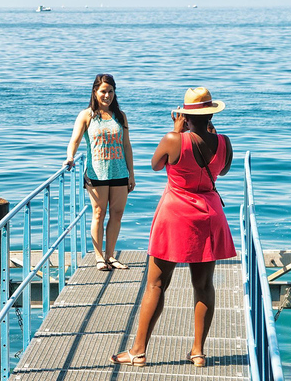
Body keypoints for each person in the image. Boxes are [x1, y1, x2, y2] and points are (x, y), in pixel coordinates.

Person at [110, 87, 235, 368]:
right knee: (203, 285)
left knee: (156, 284)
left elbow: (156, 165)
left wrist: (177, 131)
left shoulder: (173, 139)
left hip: (176, 216)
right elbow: (223, 170)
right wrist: (206, 134)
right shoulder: (225, 142)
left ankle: (138, 352)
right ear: (211, 113)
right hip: (209, 216)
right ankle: (198, 352)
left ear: (185, 115)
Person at [63, 74, 135, 272]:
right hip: (97, 173)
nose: (107, 95)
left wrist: (131, 174)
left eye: (111, 91)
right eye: (103, 91)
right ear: (95, 92)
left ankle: (111, 255)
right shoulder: (86, 115)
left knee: (117, 213)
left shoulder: (120, 115)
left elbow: (126, 145)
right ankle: (99, 257)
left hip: (119, 171)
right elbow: (75, 140)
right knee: (98, 213)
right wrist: (70, 156)